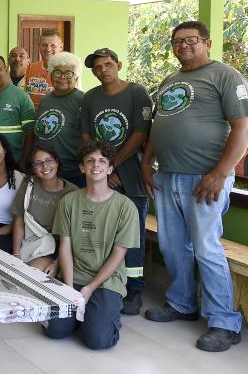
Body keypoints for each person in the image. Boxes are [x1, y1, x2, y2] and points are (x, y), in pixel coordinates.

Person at [141, 20, 248, 352]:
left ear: (207, 42)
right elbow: (159, 125)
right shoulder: (170, 81)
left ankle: (224, 322)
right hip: (167, 175)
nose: (183, 46)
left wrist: (221, 172)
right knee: (173, 246)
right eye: (177, 41)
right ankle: (182, 303)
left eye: (190, 40)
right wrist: (147, 162)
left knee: (206, 247)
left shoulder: (226, 76)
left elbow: (243, 127)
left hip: (205, 178)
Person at [44, 140, 139, 350]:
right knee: (54, 330)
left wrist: (90, 288)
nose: (96, 165)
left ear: (110, 169)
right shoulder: (69, 202)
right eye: (90, 161)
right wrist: (69, 289)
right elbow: (65, 247)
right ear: (82, 167)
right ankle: (85, 315)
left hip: (106, 281)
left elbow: (118, 255)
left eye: (102, 161)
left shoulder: (126, 207)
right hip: (74, 276)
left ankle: (102, 314)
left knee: (98, 340)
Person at [80, 47, 153, 315]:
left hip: (131, 177)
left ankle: (134, 290)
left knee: (132, 235)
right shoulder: (90, 97)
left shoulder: (137, 93)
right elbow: (86, 137)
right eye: (97, 67)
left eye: (108, 64)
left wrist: (112, 167)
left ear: (119, 65)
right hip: (101, 178)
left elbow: (140, 135)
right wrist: (102, 170)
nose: (103, 70)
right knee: (102, 232)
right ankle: (107, 283)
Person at [10, 145, 79, 276]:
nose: (45, 166)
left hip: (57, 249)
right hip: (29, 243)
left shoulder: (73, 192)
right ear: (33, 168)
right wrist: (16, 254)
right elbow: (19, 220)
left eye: (49, 160)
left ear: (57, 162)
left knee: (30, 273)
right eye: (38, 163)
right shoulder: (29, 184)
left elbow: (74, 235)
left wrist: (58, 262)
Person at [34, 52, 85, 187]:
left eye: (68, 73)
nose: (62, 77)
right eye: (57, 73)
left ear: (76, 76)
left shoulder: (83, 100)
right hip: (46, 170)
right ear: (51, 75)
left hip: (73, 173)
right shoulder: (45, 100)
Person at [24, 28, 63, 109]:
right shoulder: (30, 68)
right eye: (44, 45)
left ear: (61, 47)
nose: (48, 49)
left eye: (53, 45)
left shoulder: (68, 73)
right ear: (39, 46)